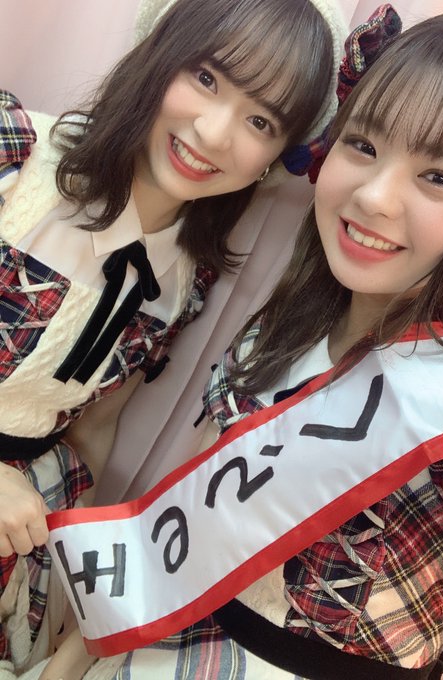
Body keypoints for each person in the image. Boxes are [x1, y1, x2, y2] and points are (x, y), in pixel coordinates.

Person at [22, 5, 443, 680]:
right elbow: (167, 546)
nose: (374, 197)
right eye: (363, 146)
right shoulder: (273, 333)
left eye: (440, 178)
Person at [0, 0, 347, 672]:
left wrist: (83, 604)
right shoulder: (17, 156)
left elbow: (93, 432)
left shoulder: (183, 281)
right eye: (207, 77)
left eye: (260, 121)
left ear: (275, 157)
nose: (214, 133)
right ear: (158, 51)